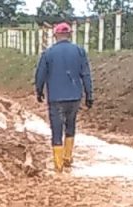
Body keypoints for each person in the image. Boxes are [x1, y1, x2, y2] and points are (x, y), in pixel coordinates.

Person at [35, 22, 93, 173]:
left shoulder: (48, 53)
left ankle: (58, 164)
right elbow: (86, 74)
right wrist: (89, 94)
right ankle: (68, 157)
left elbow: (40, 75)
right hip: (74, 96)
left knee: (56, 128)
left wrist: (39, 91)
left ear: (55, 35)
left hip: (56, 97)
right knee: (71, 125)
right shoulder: (79, 51)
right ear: (69, 35)